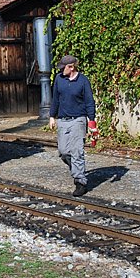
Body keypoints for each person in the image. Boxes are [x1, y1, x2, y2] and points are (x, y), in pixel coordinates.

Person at [48, 55, 96, 197]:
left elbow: (89, 102)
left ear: (71, 67)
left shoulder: (83, 81)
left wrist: (91, 121)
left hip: (78, 120)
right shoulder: (59, 79)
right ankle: (76, 167)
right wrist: (52, 116)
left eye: (63, 68)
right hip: (63, 120)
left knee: (77, 151)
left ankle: (80, 182)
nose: (61, 70)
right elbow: (56, 98)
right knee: (63, 152)